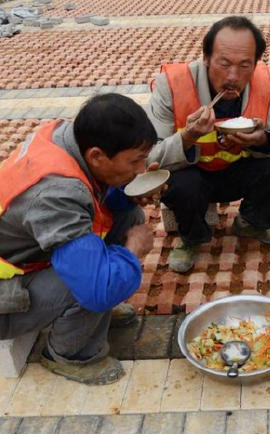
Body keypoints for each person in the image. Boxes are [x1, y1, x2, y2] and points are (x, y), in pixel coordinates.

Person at [0, 94, 157, 385]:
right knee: (91, 284)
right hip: (4, 293)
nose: (141, 170)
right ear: (97, 155)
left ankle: (87, 316)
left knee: (128, 217)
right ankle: (70, 354)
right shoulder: (56, 194)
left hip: (26, 255)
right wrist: (133, 252)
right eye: (135, 161)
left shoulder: (66, 138)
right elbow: (95, 287)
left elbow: (92, 197)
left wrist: (125, 194)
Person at [148, 16, 270, 273]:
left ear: (256, 63)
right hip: (193, 174)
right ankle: (191, 237)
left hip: (235, 170)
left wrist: (260, 140)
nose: (233, 77)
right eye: (224, 63)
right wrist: (187, 137)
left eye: (245, 65)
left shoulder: (261, 82)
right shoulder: (171, 84)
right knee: (180, 185)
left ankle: (251, 221)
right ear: (206, 57)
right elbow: (150, 157)